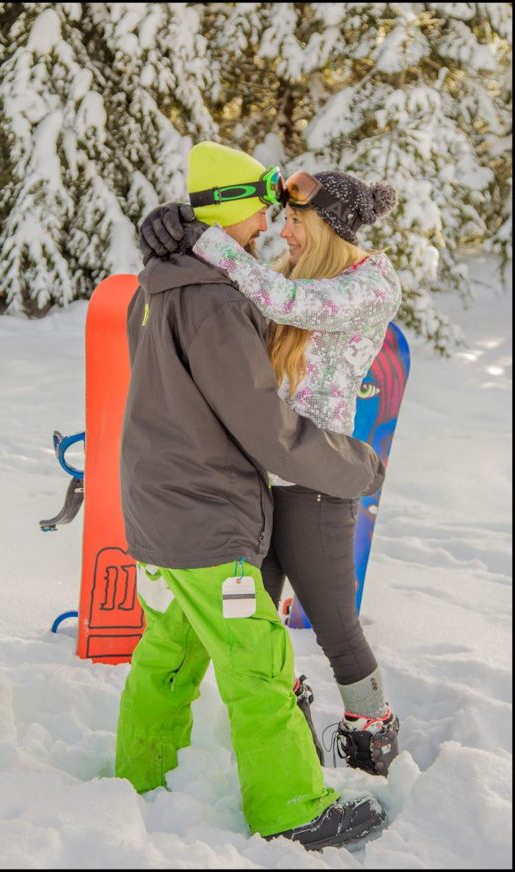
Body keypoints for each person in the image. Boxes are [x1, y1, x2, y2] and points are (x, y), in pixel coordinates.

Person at [114, 141, 388, 851]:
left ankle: (136, 777)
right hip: (213, 507)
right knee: (258, 663)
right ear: (238, 212)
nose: (274, 223)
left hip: (156, 504)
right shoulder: (217, 300)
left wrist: (184, 226)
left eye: (289, 215)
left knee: (169, 650)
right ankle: (292, 807)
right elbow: (266, 427)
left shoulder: (158, 285)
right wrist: (356, 466)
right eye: (265, 209)